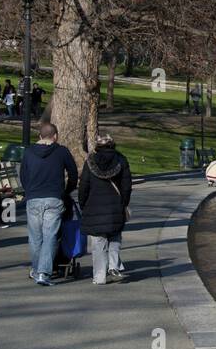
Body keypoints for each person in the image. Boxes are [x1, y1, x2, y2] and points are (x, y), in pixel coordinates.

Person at [21, 122, 79, 287]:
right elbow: (73, 173)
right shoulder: (61, 151)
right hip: (54, 197)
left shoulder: (29, 152)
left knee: (35, 237)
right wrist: (66, 191)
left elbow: (23, 175)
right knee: (50, 236)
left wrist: (29, 191)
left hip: (34, 198)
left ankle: (37, 268)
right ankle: (43, 272)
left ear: (39, 136)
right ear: (56, 136)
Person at [78, 133, 132, 285]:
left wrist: (83, 204)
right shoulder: (121, 159)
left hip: (94, 206)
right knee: (115, 237)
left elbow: (84, 187)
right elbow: (127, 186)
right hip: (116, 205)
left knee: (98, 242)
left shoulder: (90, 162)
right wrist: (124, 203)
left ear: (97, 146)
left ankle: (99, 276)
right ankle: (114, 266)